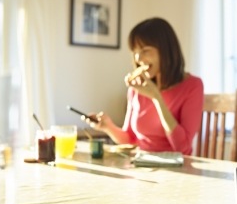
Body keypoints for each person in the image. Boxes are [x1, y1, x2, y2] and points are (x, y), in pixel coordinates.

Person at [83, 17, 204, 155]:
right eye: (135, 52)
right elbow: (130, 139)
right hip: (142, 164)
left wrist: (157, 98)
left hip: (176, 167)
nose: (138, 59)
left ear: (166, 50)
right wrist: (107, 127)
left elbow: (182, 148)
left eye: (145, 50)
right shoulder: (136, 89)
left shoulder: (193, 85)